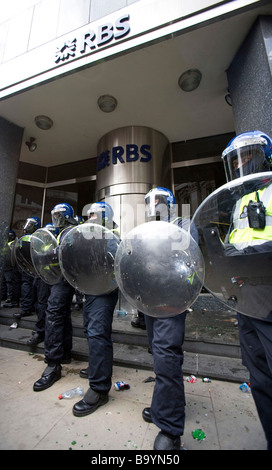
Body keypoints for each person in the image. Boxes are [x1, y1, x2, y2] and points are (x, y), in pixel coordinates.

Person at [221, 130, 272, 450]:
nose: (240, 164)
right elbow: (235, 242)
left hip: (270, 293)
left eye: (245, 156)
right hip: (246, 299)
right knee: (260, 377)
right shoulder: (240, 200)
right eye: (235, 160)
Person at [140, 187, 188, 450]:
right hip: (150, 300)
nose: (152, 206)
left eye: (157, 201)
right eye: (149, 202)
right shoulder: (146, 230)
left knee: (167, 355)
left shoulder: (181, 224)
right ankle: (165, 405)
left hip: (172, 299)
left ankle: (170, 428)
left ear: (168, 204)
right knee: (158, 353)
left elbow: (184, 257)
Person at [72, 202, 119, 417]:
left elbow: (111, 262)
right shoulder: (85, 234)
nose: (90, 218)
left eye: (95, 215)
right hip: (89, 289)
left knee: (98, 333)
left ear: (105, 216)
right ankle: (96, 366)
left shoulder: (112, 234)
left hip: (104, 289)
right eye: (88, 214)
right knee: (90, 330)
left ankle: (99, 389)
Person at [33, 203, 77, 391]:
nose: (56, 218)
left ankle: (53, 365)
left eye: (59, 215)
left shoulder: (72, 231)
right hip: (56, 277)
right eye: (54, 215)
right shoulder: (57, 232)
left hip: (65, 279)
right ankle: (65, 353)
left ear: (66, 215)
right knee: (62, 314)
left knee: (53, 314)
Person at [13, 217, 41, 319]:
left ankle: (26, 308)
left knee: (28, 286)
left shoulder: (34, 237)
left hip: (31, 267)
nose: (27, 226)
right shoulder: (36, 237)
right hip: (30, 267)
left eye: (30, 224)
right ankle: (30, 307)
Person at [2, 230, 21, 308]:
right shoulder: (5, 243)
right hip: (4, 266)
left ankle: (9, 297)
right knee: (4, 282)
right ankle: (4, 295)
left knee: (9, 282)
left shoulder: (13, 244)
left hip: (10, 266)